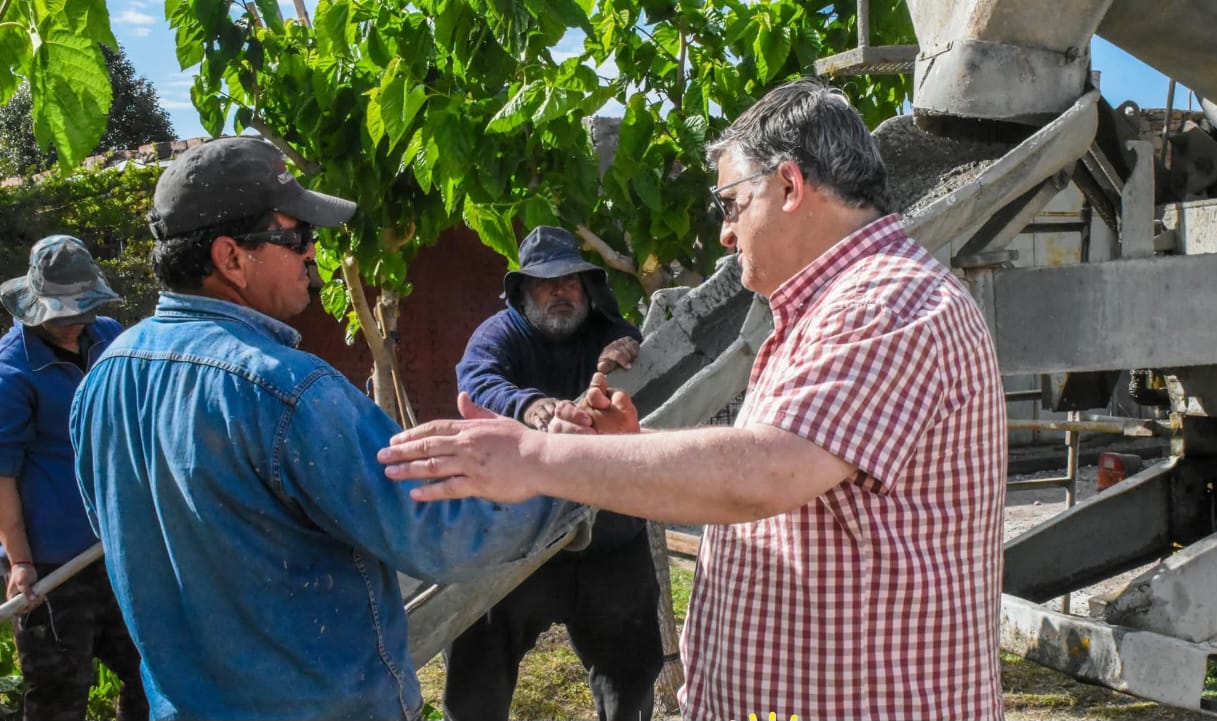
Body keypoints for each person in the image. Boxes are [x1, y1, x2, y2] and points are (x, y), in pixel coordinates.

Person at [380, 79, 1007, 721]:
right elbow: (787, 469)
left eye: (731, 205)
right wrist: (632, 449)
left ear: (789, 187)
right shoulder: (829, 310)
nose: (727, 235)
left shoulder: (883, 305)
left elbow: (769, 470)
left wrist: (534, 457)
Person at [68, 136, 583, 721]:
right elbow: (440, 533)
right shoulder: (287, 391)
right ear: (230, 258)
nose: (313, 252)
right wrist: (569, 473)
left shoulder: (101, 384)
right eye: (295, 237)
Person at [445, 225, 662, 721]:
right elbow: (477, 380)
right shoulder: (498, 334)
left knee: (630, 675)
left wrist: (627, 345)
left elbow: (630, 342)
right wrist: (532, 406)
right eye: (545, 283)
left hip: (608, 535)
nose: (560, 291)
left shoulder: (606, 331)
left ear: (587, 290)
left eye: (570, 282)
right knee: (477, 670)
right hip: (522, 537)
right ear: (521, 293)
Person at [0, 235, 148, 721]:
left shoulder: (107, 336)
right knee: (61, 694)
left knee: (150, 670)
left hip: (115, 546)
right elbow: (3, 476)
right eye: (63, 316)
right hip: (53, 565)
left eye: (82, 312)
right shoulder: (11, 373)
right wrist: (21, 560)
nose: (74, 325)